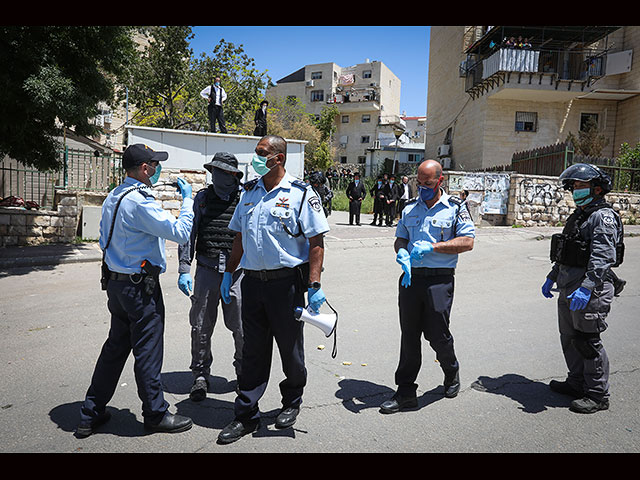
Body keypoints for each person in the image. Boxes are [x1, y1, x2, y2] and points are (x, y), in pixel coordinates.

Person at [216, 135, 330, 444]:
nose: (255, 158)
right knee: (252, 351)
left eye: (261, 153)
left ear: (278, 159)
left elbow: (316, 242)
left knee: (290, 350)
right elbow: (238, 237)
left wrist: (314, 284)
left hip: (286, 284)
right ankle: (246, 414)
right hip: (252, 283)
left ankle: (291, 401)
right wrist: (229, 274)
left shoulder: (301, 194)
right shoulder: (250, 192)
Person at [76, 144, 194, 438]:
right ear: (144, 169)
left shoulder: (114, 196)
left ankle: (90, 413)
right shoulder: (141, 202)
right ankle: (155, 413)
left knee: (114, 350)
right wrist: (188, 201)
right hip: (140, 289)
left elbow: (104, 239)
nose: (157, 170)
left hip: (116, 285)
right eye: (154, 165)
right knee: (148, 352)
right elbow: (180, 232)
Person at [380, 159, 475, 414]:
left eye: (428, 183)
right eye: (418, 183)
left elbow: (467, 242)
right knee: (409, 336)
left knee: (437, 334)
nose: (422, 188)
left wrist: (432, 247)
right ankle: (405, 392)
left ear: (440, 181)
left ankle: (451, 369)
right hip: (411, 278)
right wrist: (401, 253)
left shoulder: (455, 207)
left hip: (439, 279)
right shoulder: (410, 207)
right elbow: (400, 238)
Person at [542, 163, 625, 414]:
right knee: (569, 338)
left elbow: (602, 257)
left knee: (587, 341)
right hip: (568, 286)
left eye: (580, 186)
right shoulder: (580, 215)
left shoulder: (603, 216)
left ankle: (598, 394)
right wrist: (551, 277)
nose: (575, 190)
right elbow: (566, 251)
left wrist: (587, 287)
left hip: (591, 289)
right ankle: (577, 382)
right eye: (574, 187)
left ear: (597, 189)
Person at [177, 152, 245, 402]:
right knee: (200, 326)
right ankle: (200, 376)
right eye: (214, 171)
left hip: (238, 273)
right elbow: (189, 233)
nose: (216, 176)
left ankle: (244, 374)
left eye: (223, 172)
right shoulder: (203, 199)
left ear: (233, 175)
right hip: (206, 270)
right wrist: (184, 268)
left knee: (242, 328)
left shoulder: (245, 199)